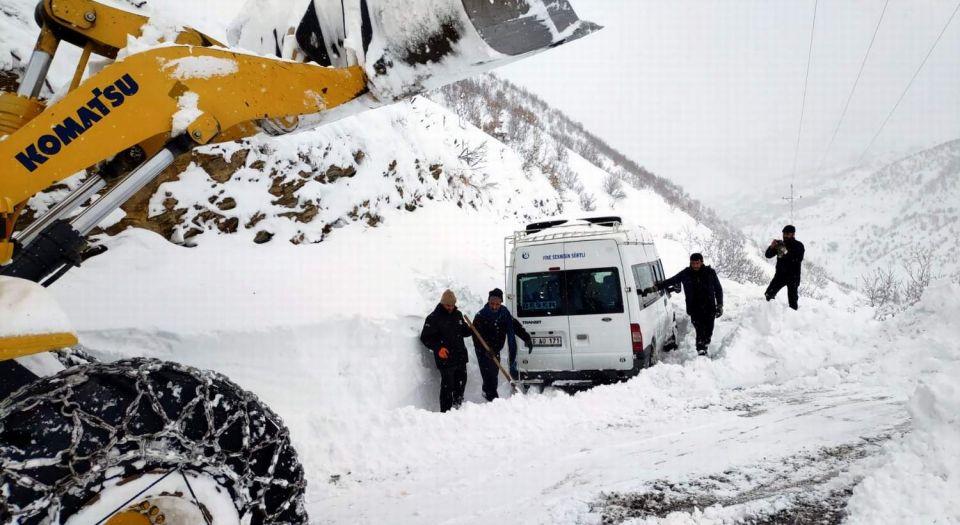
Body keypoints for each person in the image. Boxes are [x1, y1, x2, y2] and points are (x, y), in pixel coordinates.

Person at [653, 253, 723, 356]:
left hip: (709, 308)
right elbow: (672, 280)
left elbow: (718, 289)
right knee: (699, 330)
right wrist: (657, 287)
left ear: (702, 262)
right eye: (693, 263)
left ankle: (705, 345)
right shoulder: (686, 273)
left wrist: (720, 305)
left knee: (708, 331)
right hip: (695, 309)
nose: (695, 265)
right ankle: (701, 350)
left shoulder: (710, 273)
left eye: (697, 263)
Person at [471, 288, 533, 401]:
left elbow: (515, 327)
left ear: (501, 303)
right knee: (488, 374)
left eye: (497, 304)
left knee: (494, 373)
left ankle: (487, 393)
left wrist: (526, 338)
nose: (494, 306)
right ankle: (492, 398)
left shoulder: (504, 314)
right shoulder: (480, 316)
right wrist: (485, 350)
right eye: (492, 303)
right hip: (483, 351)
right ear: (488, 301)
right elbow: (476, 338)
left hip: (495, 349)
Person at [420, 289, 472, 412]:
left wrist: (472, 329)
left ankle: (458, 407)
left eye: (452, 305)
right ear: (442, 303)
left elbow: (464, 331)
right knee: (447, 388)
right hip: (446, 359)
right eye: (448, 305)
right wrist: (438, 348)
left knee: (460, 384)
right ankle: (446, 413)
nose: (450, 307)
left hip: (460, 357)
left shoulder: (457, 314)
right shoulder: (433, 318)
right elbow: (425, 337)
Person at [764, 225, 805, 310]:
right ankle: (771, 314)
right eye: (784, 234)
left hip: (793, 277)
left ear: (793, 234)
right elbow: (768, 255)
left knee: (793, 303)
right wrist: (771, 247)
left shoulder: (799, 245)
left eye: (787, 234)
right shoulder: (780, 244)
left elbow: (798, 259)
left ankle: (792, 320)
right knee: (768, 294)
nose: (785, 236)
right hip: (780, 275)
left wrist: (785, 252)